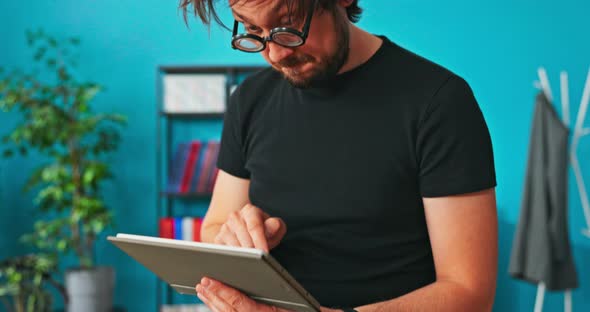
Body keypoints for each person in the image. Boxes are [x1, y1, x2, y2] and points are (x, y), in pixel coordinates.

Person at [179, 0, 498, 311]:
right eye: (252, 29)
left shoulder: (439, 102)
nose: (276, 53)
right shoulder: (249, 100)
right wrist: (239, 237)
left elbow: (469, 293)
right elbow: (215, 227)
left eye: (288, 25)